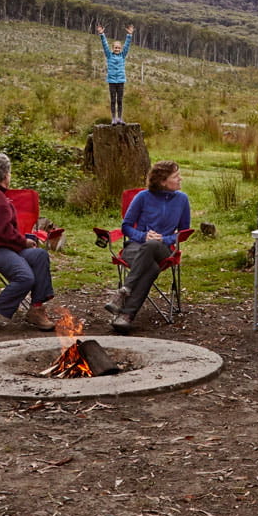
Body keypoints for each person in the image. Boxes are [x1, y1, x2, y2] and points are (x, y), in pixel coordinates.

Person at [0, 152, 57, 334]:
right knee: (25, 277)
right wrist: (23, 242)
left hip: (8, 246)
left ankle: (36, 308)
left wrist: (24, 240)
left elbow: (4, 231)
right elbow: (1, 232)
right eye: (9, 173)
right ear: (5, 175)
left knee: (40, 255)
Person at [105, 160, 189, 333]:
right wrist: (143, 236)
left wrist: (164, 239)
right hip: (136, 248)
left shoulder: (182, 199)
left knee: (152, 245)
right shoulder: (142, 197)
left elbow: (183, 232)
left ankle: (124, 290)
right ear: (163, 181)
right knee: (150, 268)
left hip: (163, 250)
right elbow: (126, 226)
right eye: (176, 176)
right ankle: (126, 316)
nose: (180, 179)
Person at [96, 24, 135, 124]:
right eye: (115, 48)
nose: (117, 49)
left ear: (120, 49)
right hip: (112, 81)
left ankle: (120, 118)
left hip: (121, 81)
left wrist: (129, 35)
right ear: (112, 48)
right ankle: (114, 118)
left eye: (118, 48)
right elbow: (104, 44)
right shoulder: (109, 55)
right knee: (113, 100)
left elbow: (127, 45)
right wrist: (102, 34)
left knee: (120, 101)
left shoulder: (123, 55)